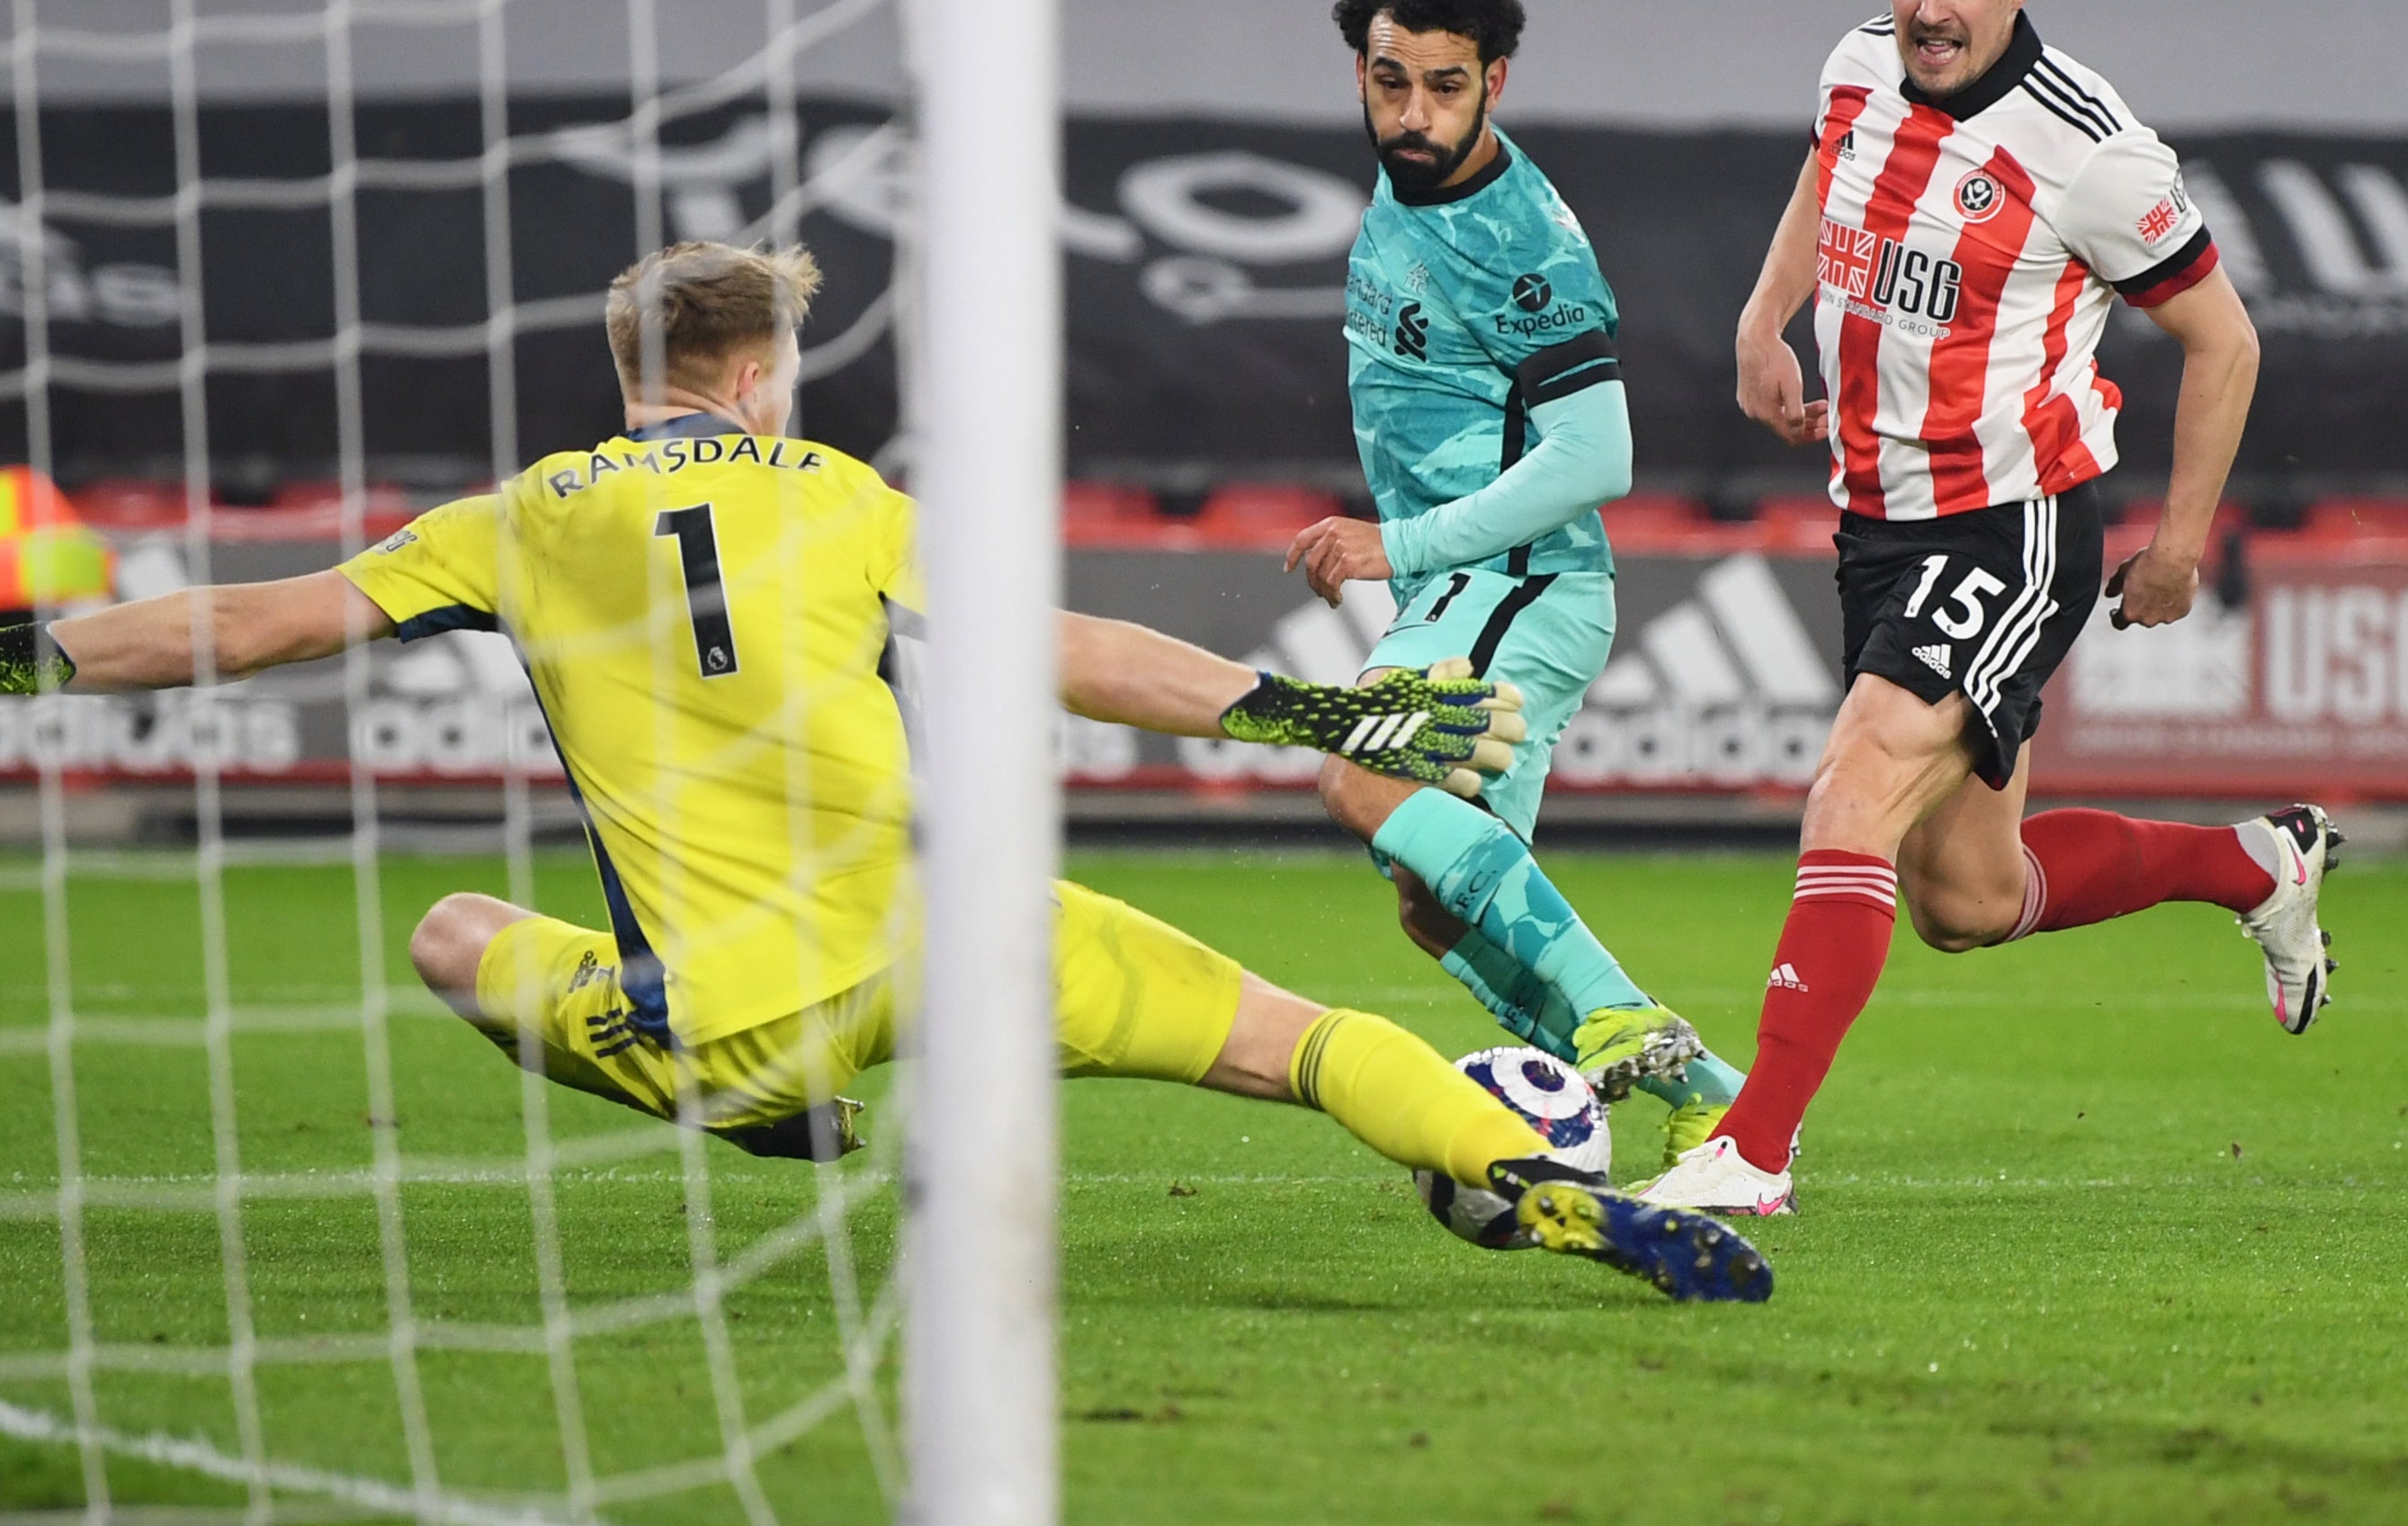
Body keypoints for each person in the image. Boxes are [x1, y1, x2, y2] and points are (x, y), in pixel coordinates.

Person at [0, 238, 1770, 1302]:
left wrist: (35, 654)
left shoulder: (517, 523)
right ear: (757, 373)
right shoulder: (840, 493)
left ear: (629, 378)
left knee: (456, 932)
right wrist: (1312, 715)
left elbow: (252, 623)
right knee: (1299, 1040)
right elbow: (1066, 648)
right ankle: (1547, 1185)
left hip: (738, 1007)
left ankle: (766, 1111)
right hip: (957, 931)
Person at [1638, 0, 2339, 1218]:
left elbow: (2225, 340)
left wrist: (2181, 545)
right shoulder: (1852, 67)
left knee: (1847, 787)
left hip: (2006, 529)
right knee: (1964, 895)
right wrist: (1759, 318)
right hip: (1874, 526)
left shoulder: (2087, 149)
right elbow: (1821, 178)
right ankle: (2256, 862)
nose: (1929, 5)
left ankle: (1751, 1149)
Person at [1287, 0, 1748, 1168]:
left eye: (1445, 85)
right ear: (1360, 71)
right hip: (1473, 586)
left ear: (1496, 77)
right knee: (1435, 907)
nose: (1415, 114)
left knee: (1360, 773)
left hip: (1521, 580)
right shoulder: (1407, 183)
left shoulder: (1522, 239)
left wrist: (1402, 543)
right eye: (1391, 83)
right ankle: (1717, 1099)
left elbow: (1597, 455)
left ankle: (1612, 1016)